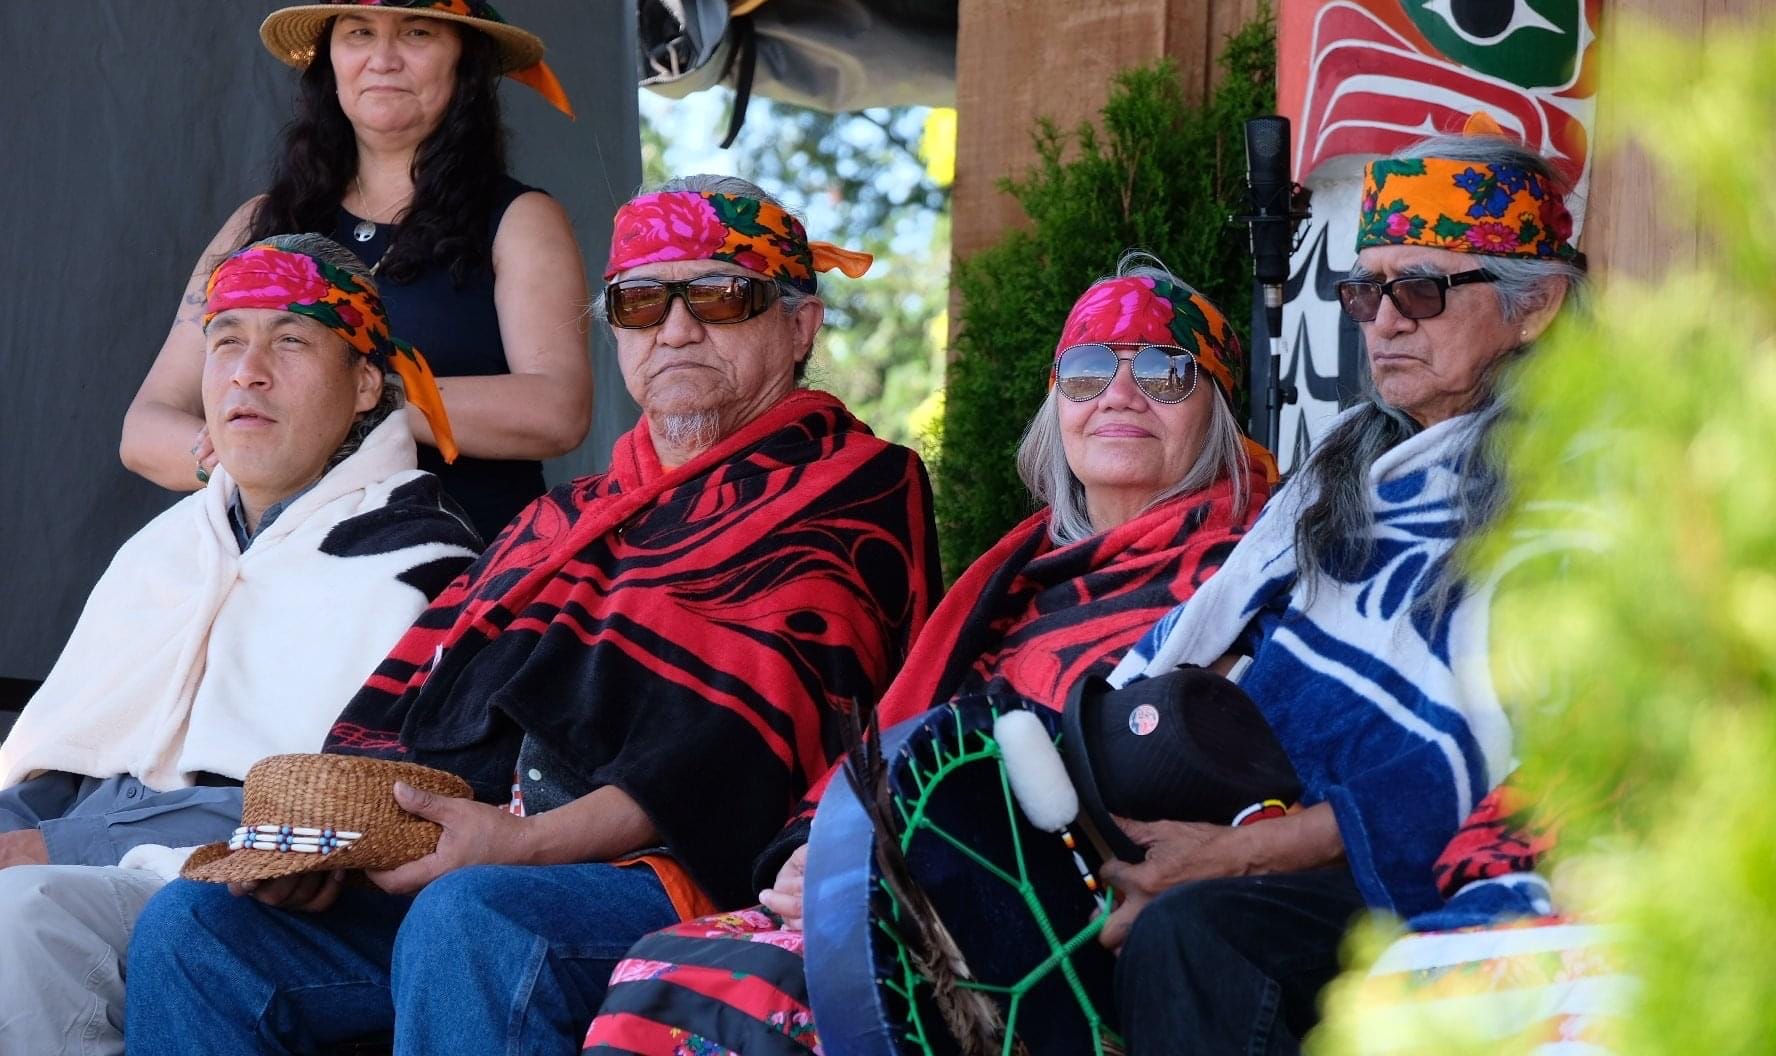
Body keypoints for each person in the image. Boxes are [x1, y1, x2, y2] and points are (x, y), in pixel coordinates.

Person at [123, 176, 944, 1056]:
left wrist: (523, 845)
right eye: (638, 301)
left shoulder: (852, 481)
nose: (674, 328)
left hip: (691, 875)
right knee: (196, 926)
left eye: (718, 294)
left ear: (799, 324)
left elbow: (736, 748)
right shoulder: (563, 517)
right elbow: (414, 698)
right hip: (478, 861)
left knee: (473, 916)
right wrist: (332, 850)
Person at [583, 255, 1278, 1053]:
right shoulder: (1017, 573)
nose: (1120, 395)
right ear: (1057, 407)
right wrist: (819, 853)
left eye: (1164, 371)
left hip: (1065, 932)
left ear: (1217, 408)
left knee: (755, 995)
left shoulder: (1250, 569)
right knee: (660, 971)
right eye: (1088, 372)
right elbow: (903, 739)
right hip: (913, 886)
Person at [1101, 126, 1588, 1055]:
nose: (1384, 321)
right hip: (1265, 814)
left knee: (1194, 934)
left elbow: (1510, 750)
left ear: (1539, 308)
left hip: (1431, 864)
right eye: (1365, 290)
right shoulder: (1344, 466)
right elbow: (1198, 641)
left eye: (1423, 288)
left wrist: (1231, 857)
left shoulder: (1583, 479)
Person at [0, 234, 483, 1056]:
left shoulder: (419, 567)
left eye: (289, 341)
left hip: (232, 890)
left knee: (24, 921)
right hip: (70, 853)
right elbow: (54, 758)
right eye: (225, 341)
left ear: (366, 383)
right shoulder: (165, 546)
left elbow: (356, 812)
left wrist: (58, 844)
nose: (246, 371)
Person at [122, 0, 592, 542]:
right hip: (279, 580)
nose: (383, 58)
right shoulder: (257, 223)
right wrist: (235, 452)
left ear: (465, 62)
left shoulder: (520, 218)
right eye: (359, 33)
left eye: (417, 33)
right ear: (331, 62)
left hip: (464, 584)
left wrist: (363, 401)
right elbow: (144, 429)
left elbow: (558, 411)